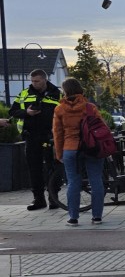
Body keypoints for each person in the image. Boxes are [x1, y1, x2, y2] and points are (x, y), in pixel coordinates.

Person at [52, 78, 106, 226]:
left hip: (71, 149)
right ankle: (97, 217)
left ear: (66, 91)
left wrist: (59, 153)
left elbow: (57, 133)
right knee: (96, 181)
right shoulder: (90, 107)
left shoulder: (59, 109)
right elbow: (102, 127)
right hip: (92, 148)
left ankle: (73, 218)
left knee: (73, 182)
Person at [8, 69, 62, 211]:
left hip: (51, 136)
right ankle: (38, 199)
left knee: (53, 167)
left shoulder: (57, 94)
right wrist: (27, 112)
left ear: (45, 79)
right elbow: (12, 112)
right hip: (31, 135)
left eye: (37, 81)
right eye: (32, 81)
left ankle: (53, 198)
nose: (34, 83)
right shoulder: (24, 94)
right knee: (34, 168)